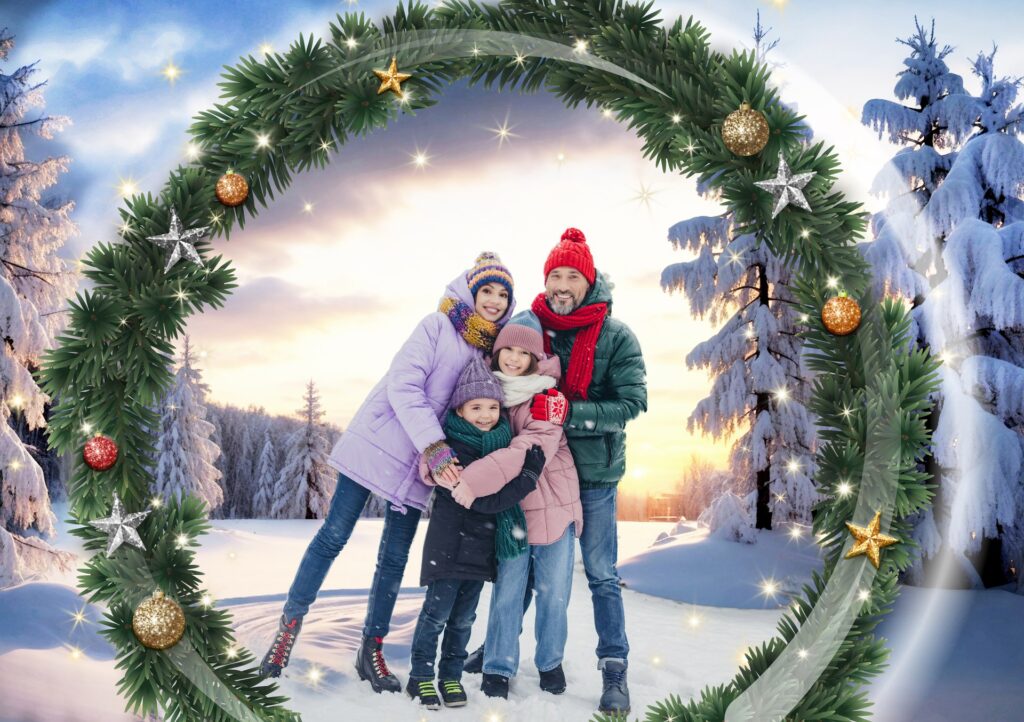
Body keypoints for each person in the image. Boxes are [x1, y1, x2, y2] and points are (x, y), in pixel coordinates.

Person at [258, 252, 516, 693]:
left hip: (419, 469)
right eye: (486, 290)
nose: (493, 301)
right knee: (333, 536)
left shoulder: (487, 350)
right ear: (470, 290)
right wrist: (434, 445)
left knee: (393, 559)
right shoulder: (436, 326)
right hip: (379, 447)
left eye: (502, 295)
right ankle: (287, 628)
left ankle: (370, 648)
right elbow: (404, 384)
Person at [529, 227, 647, 715]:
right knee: (538, 571)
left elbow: (633, 402)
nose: (561, 284)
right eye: (554, 273)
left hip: (595, 475)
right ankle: (496, 652)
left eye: (571, 275)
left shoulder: (617, 335)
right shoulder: (532, 326)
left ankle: (614, 667)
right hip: (546, 473)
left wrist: (569, 413)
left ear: (588, 279)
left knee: (600, 573)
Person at [444, 311, 583, 700]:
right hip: (512, 512)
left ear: (536, 359)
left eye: (524, 352)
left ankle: (550, 663)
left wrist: (471, 481)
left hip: (553, 507)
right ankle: (498, 667)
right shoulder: (489, 395)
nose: (514, 358)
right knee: (507, 592)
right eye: (508, 349)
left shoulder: (548, 398)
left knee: (554, 594)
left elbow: (527, 450)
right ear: (498, 350)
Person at [406, 358, 546, 710]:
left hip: (480, 549)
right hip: (449, 547)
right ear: (461, 409)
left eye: (493, 407)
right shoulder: (452, 451)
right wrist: (528, 477)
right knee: (436, 615)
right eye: (477, 407)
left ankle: (450, 676)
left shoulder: (500, 447)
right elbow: (485, 503)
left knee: (464, 619)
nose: (486, 415)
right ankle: (420, 676)